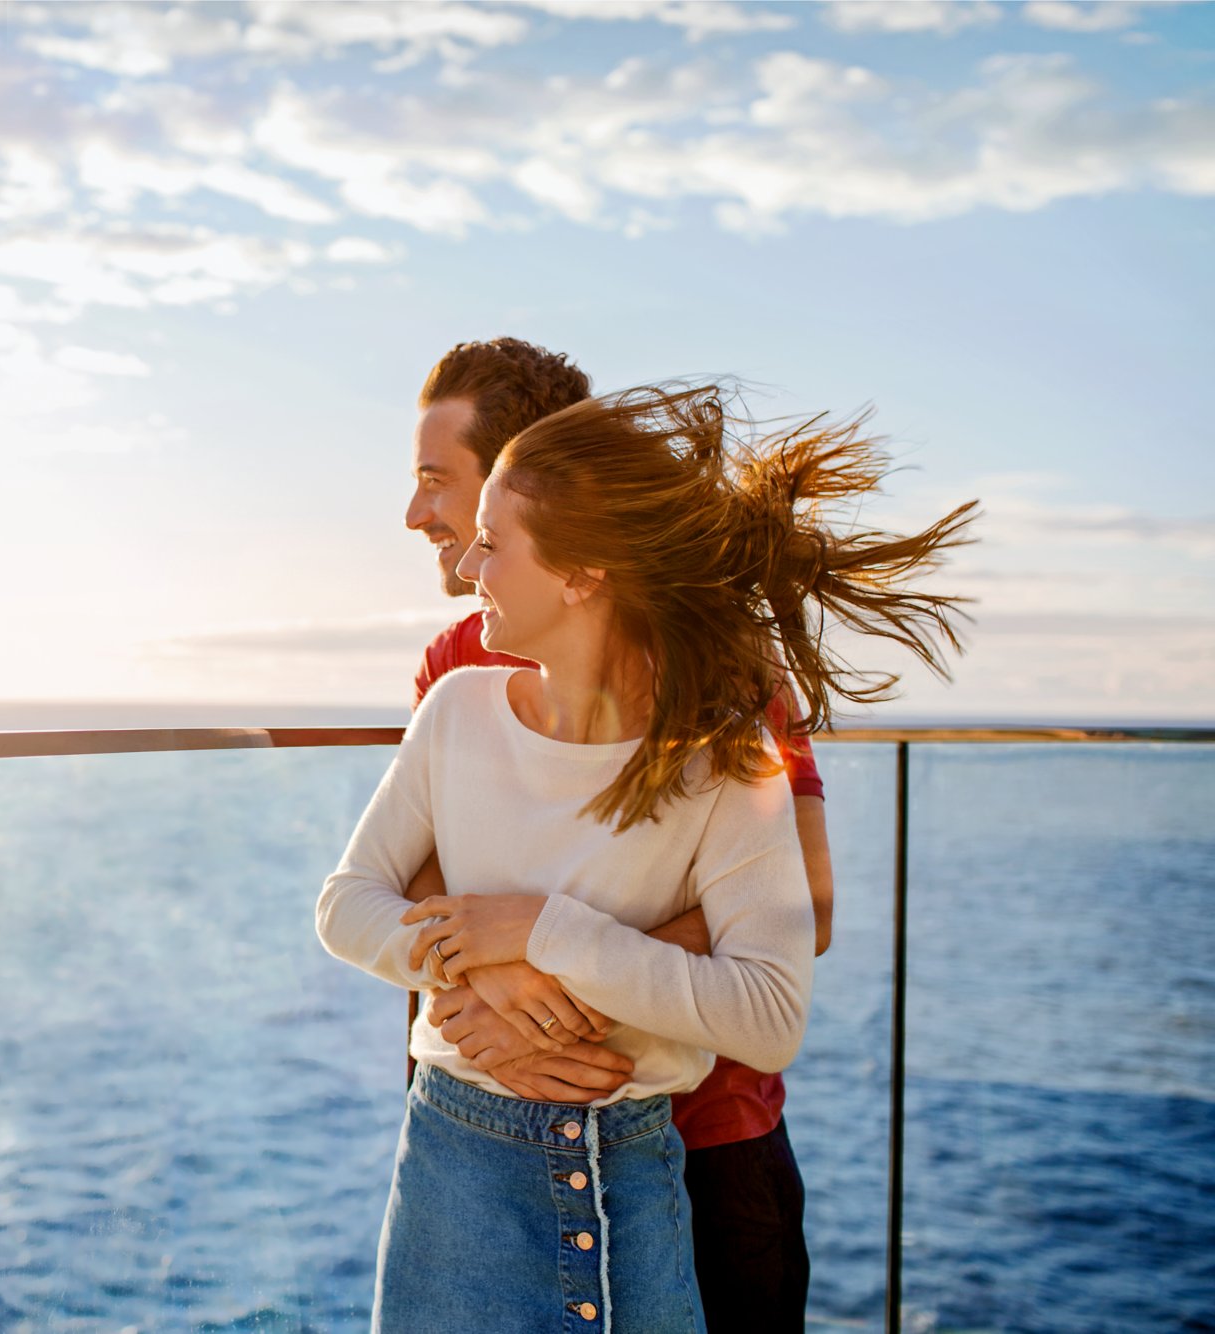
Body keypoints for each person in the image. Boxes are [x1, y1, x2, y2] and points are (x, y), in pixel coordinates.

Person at [316, 383, 974, 1330]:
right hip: (458, 1161)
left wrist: (547, 941)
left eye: (490, 539)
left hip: (652, 1163)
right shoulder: (456, 698)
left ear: (581, 570)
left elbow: (777, 992)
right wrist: (491, 976)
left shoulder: (725, 736)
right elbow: (355, 902)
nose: (464, 561)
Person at [401, 339, 833, 1331]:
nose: (418, 514)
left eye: (437, 480)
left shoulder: (712, 654)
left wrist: (544, 976)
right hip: (486, 1146)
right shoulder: (456, 673)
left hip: (693, 1155)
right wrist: (486, 991)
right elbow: (419, 891)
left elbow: (806, 901)